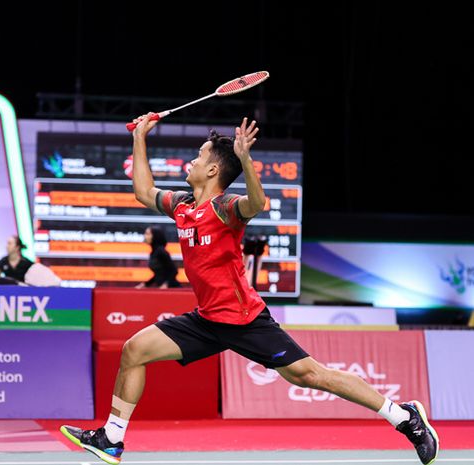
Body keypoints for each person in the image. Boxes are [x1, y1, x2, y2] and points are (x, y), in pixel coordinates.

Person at [60, 114, 438, 465]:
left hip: (244, 320)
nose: (190, 162)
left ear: (212, 169)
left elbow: (256, 203)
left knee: (310, 375)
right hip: (207, 319)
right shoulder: (183, 205)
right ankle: (112, 437)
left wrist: (246, 159)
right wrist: (140, 137)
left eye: (198, 156)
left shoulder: (224, 208)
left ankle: (404, 416)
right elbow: (144, 191)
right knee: (134, 349)